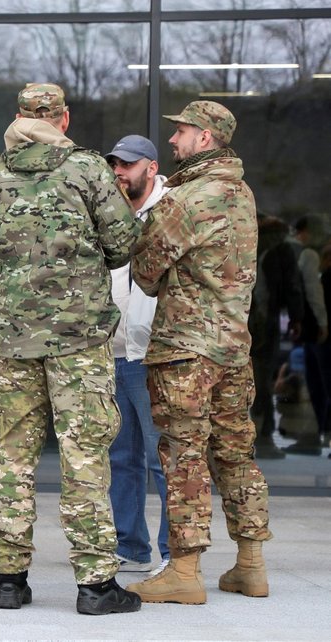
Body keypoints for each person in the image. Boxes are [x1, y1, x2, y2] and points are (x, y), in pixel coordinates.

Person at [0, 82, 141, 615]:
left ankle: (9, 580)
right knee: (85, 457)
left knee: (12, 459)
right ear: (62, 119)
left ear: (19, 117)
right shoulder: (87, 169)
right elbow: (122, 244)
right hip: (78, 342)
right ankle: (94, 586)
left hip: (14, 341)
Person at [127, 100, 272, 604]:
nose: (173, 140)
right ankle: (250, 565)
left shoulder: (188, 199)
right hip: (234, 348)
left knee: (184, 455)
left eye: (182, 131)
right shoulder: (242, 193)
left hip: (186, 351)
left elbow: (144, 272)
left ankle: (184, 573)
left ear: (205, 138)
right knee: (236, 453)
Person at [104, 135, 171, 576]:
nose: (119, 172)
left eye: (127, 165)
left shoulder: (171, 212)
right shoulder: (110, 213)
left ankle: (173, 552)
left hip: (154, 356)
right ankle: (131, 545)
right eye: (115, 165)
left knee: (161, 458)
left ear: (151, 167)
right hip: (114, 354)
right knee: (121, 458)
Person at [250, 215, 303, 459]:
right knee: (262, 377)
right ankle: (263, 435)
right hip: (264, 320)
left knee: (251, 378)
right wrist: (296, 317)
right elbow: (291, 286)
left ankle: (258, 434)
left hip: (244, 319)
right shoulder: (282, 251)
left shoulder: (247, 244)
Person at [284, 215, 329, 455]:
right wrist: (322, 322)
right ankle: (316, 433)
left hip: (309, 328)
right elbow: (313, 293)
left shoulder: (300, 254)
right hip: (313, 328)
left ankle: (316, 433)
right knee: (317, 381)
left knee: (317, 381)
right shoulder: (308, 255)